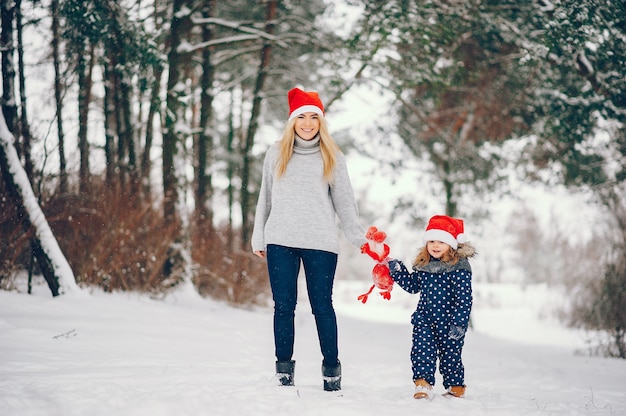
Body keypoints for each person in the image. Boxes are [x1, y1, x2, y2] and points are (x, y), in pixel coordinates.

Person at [251, 87, 366, 391]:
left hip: (321, 242)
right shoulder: (276, 152)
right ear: (292, 121)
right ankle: (283, 372)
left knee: (321, 306)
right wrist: (258, 235)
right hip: (280, 240)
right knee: (283, 306)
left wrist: (360, 238)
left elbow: (345, 202)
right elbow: (266, 196)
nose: (307, 122)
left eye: (313, 117)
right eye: (301, 116)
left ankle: (331, 370)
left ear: (321, 121)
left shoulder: (332, 155)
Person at [387, 215, 475, 399]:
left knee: (450, 357)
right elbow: (413, 286)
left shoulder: (459, 267)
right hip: (425, 319)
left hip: (450, 322)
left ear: (451, 244)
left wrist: (459, 323)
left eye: (441, 241)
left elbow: (464, 298)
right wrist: (397, 270)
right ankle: (423, 384)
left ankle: (455, 387)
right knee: (422, 350)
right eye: (431, 241)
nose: (435, 245)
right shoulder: (424, 265)